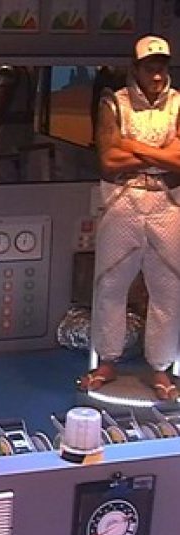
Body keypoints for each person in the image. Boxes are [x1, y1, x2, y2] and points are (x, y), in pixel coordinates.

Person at [79, 35, 180, 399]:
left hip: (167, 202)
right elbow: (109, 160)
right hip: (123, 199)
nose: (157, 74)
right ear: (136, 68)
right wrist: (160, 153)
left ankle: (161, 368)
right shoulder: (115, 103)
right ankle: (107, 361)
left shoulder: (178, 103)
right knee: (110, 284)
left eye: (162, 66)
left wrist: (132, 146)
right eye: (150, 67)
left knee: (168, 288)